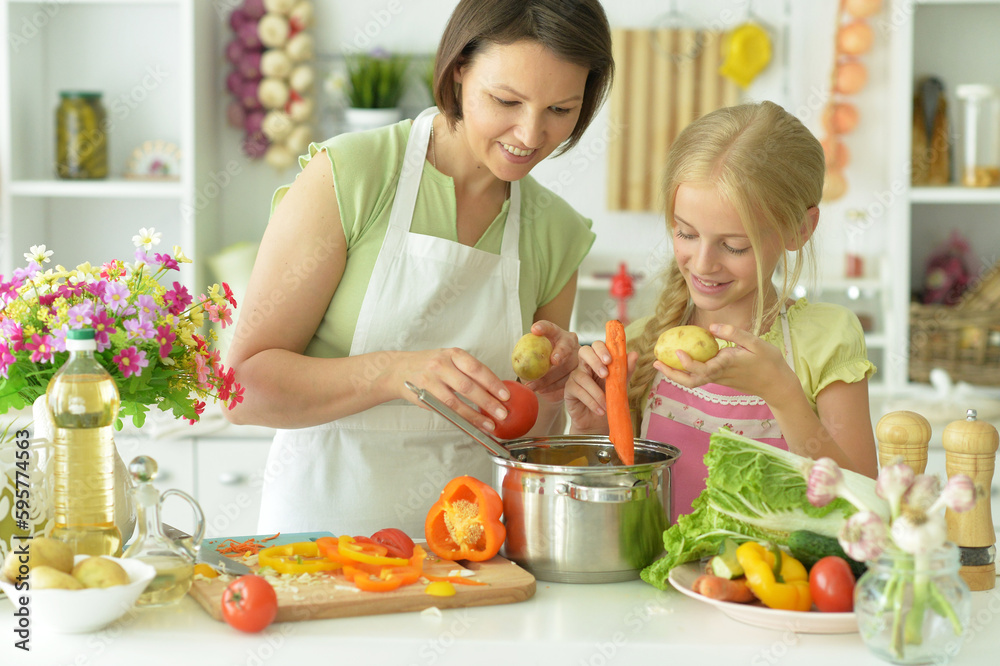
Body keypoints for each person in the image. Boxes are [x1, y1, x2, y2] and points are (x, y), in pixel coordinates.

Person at [224, 0, 614, 536]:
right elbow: (242, 389)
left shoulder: (557, 233)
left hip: (473, 554)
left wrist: (550, 396)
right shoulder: (354, 176)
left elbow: (524, 445)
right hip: (322, 546)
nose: (529, 134)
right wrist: (391, 372)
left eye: (560, 110)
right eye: (506, 100)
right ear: (458, 71)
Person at [565, 101, 879, 523]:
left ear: (799, 230)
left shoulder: (825, 338)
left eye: (734, 245)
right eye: (686, 233)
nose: (703, 262)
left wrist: (782, 393)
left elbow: (863, 503)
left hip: (772, 584)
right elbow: (614, 497)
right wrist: (590, 429)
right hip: (658, 584)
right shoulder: (645, 340)